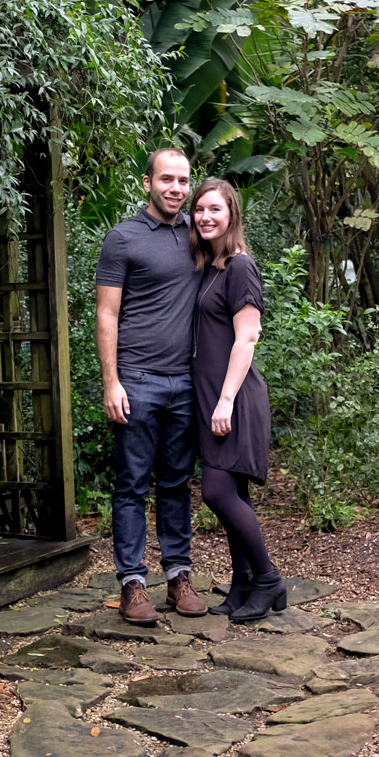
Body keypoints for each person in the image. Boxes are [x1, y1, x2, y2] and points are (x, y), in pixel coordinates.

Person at [95, 148, 210, 626]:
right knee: (131, 485)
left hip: (185, 382)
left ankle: (179, 577)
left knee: (178, 484)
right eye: (167, 179)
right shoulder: (123, 239)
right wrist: (111, 382)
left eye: (184, 181)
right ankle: (132, 585)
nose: (177, 189)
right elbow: (106, 314)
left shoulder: (200, 236)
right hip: (137, 381)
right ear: (147, 183)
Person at [188, 178, 283, 622]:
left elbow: (247, 338)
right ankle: (243, 584)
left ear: (232, 215)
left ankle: (268, 579)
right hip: (212, 396)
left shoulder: (240, 266)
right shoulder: (211, 266)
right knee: (235, 493)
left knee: (217, 491)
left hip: (234, 396)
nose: (205, 216)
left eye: (215, 209)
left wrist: (224, 401)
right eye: (199, 209)